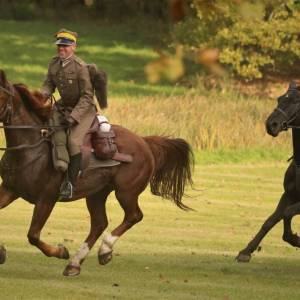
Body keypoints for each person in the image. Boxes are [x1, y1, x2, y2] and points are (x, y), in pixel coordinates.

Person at [41, 28, 97, 199]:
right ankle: (56, 169)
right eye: (59, 45)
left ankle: (70, 184)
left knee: (73, 142)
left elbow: (87, 96)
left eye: (65, 46)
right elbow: (48, 85)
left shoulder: (81, 67)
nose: (61, 49)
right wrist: (38, 97)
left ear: (74, 46)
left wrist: (73, 118)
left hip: (83, 110)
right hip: (62, 107)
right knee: (47, 131)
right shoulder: (53, 63)